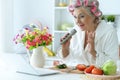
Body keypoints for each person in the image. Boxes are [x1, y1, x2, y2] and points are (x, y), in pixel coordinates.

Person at [57, 0, 119, 66]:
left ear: (93, 16)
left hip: (96, 75)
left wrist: (93, 52)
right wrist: (65, 48)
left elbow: (112, 64)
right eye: (75, 17)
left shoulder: (109, 32)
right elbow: (70, 60)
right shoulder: (75, 30)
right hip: (75, 74)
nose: (77, 21)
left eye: (82, 16)